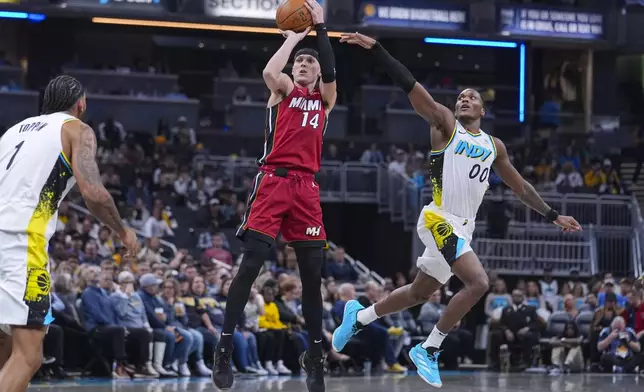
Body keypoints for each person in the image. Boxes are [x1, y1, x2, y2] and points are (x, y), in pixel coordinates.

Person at [332, 32, 582, 388]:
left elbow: (520, 187)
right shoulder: (445, 124)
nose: (464, 100)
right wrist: (377, 49)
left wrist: (553, 215)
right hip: (438, 217)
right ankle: (429, 349)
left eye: (472, 98)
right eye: (461, 96)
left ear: (482, 110)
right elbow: (410, 85)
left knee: (419, 293)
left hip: (464, 227)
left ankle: (359, 317)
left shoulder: (494, 146)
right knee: (478, 282)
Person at [211, 1, 336, 391]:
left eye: (309, 63)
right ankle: (225, 347)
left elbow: (330, 70)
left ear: (318, 73)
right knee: (251, 266)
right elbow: (269, 70)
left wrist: (319, 30)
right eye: (299, 62)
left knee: (312, 278)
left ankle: (315, 356)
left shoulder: (325, 101)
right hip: (273, 181)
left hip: (306, 189)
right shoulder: (282, 90)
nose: (302, 65)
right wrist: (295, 37)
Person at [0, 75, 139, 392]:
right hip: (21, 241)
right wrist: (122, 229)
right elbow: (93, 192)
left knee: (5, 348)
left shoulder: (12, 133)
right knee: (29, 356)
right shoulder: (77, 129)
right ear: (81, 104)